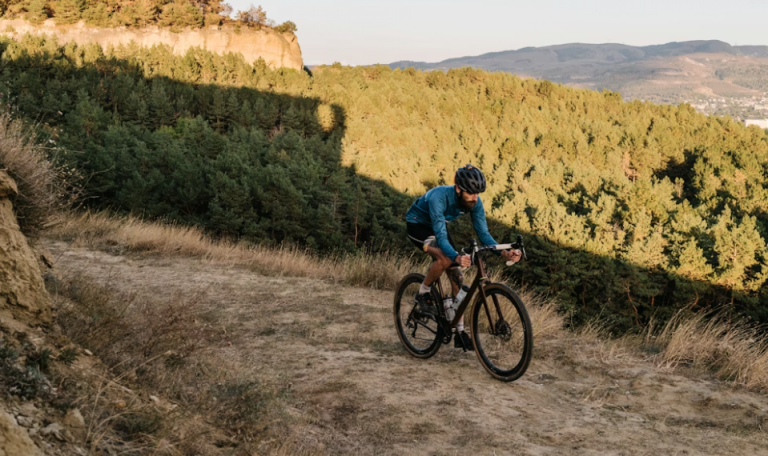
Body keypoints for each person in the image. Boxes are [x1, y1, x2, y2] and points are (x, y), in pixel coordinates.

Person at [405, 165, 522, 349]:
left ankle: (459, 332)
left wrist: (504, 253)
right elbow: (441, 237)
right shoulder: (439, 198)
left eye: (478, 193)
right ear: (458, 188)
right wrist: (456, 257)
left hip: (438, 226)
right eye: (471, 193)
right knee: (446, 259)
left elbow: (484, 235)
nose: (475, 197)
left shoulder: (475, 201)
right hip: (418, 225)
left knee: (458, 278)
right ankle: (423, 293)